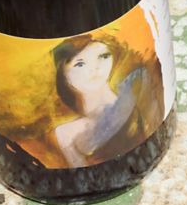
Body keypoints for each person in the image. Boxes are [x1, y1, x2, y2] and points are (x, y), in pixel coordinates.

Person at [49, 34, 163, 169]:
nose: (95, 68)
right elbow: (84, 176)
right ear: (64, 75)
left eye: (103, 56)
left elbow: (155, 131)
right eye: (80, 64)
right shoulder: (66, 133)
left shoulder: (133, 88)